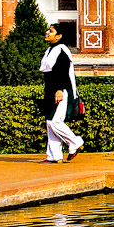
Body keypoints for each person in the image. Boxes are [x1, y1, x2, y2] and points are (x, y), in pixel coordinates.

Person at [38, 24, 83, 163]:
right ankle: (53, 156)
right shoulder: (51, 49)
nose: (47, 33)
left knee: (54, 121)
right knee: (50, 122)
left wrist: (59, 90)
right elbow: (49, 74)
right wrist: (48, 91)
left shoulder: (61, 50)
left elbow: (63, 72)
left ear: (59, 36)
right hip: (53, 90)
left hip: (61, 91)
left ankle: (75, 142)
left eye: (51, 31)